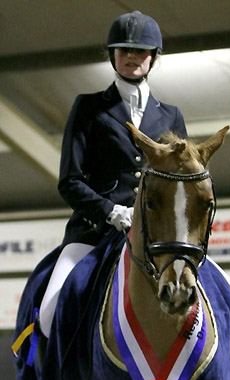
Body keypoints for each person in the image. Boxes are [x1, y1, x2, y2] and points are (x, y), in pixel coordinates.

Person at [38, 10, 187, 338]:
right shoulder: (88, 108)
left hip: (157, 241)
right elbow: (70, 180)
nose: (132, 57)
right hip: (94, 235)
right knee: (49, 315)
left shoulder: (171, 117)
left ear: (153, 57)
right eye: (124, 51)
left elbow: (181, 186)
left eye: (141, 51)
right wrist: (111, 211)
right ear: (112, 56)